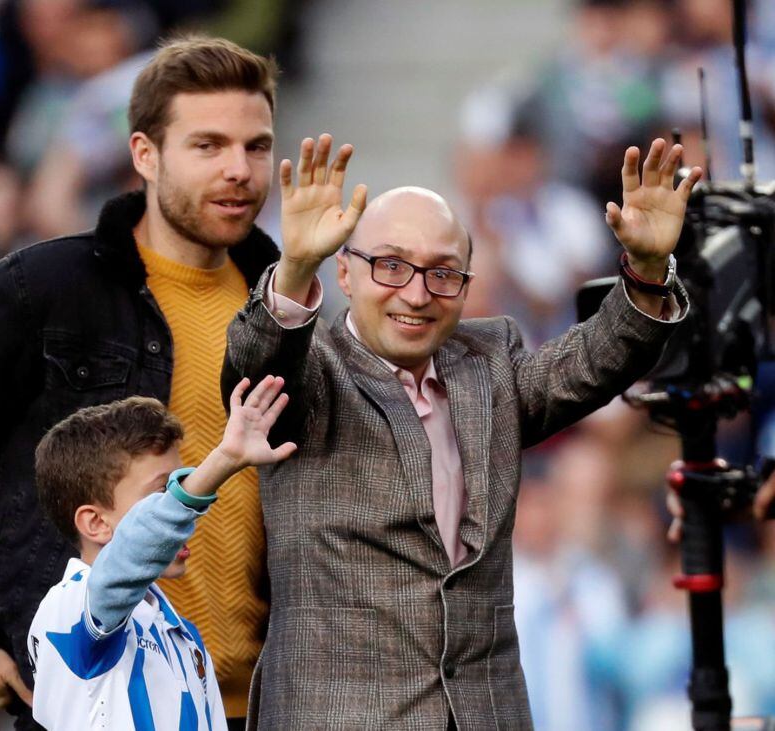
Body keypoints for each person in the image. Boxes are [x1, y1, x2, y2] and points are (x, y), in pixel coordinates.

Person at [222, 134, 702, 729]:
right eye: (391, 266)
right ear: (344, 271)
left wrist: (650, 270)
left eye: (443, 273)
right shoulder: (308, 371)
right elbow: (255, 365)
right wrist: (293, 269)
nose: (417, 294)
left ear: (466, 286)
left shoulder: (488, 366)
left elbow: (597, 359)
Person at [0, 36, 281, 729]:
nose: (238, 170)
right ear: (144, 154)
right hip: (94, 701)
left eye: (257, 146)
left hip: (262, 701)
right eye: (208, 146)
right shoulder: (44, 288)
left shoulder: (282, 309)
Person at [28, 375, 295, 730]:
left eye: (180, 485)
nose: (182, 511)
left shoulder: (181, 634)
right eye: (162, 493)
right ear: (95, 523)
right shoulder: (71, 606)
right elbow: (129, 556)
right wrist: (223, 461)